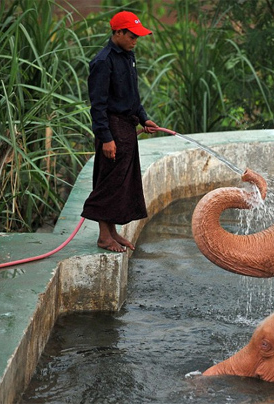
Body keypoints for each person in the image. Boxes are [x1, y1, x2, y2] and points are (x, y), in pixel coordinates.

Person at [82, 11, 159, 252]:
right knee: (110, 182)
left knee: (123, 182)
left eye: (138, 36)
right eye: (132, 35)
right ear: (118, 33)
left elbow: (132, 96)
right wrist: (106, 138)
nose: (136, 40)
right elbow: (98, 105)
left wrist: (144, 118)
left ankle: (112, 231)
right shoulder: (103, 62)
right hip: (113, 128)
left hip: (127, 126)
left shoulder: (128, 56)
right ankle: (104, 236)